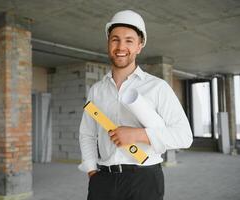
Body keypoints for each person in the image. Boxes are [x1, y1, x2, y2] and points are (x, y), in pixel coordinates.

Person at [79, 10, 193, 200]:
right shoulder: (96, 90)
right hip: (103, 179)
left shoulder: (157, 87)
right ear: (108, 43)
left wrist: (137, 134)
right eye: (115, 39)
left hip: (145, 180)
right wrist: (92, 171)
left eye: (129, 40)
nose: (120, 46)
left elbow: (184, 136)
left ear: (140, 46)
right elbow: (87, 134)